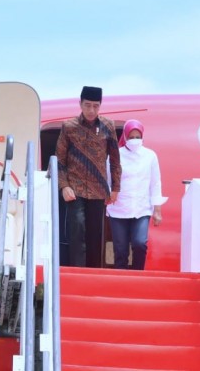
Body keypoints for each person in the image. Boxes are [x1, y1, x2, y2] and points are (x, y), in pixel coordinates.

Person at [56, 86, 121, 268]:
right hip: (74, 188)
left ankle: (94, 275)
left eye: (96, 106)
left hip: (98, 190)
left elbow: (115, 160)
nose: (91, 110)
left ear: (100, 106)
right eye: (87, 105)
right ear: (80, 104)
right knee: (77, 230)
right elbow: (59, 160)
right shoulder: (69, 127)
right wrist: (64, 186)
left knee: (95, 235)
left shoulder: (108, 126)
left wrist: (115, 188)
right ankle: (77, 274)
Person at [106, 119, 167, 270]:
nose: (134, 140)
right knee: (120, 250)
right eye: (131, 137)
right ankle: (121, 284)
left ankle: (138, 275)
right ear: (125, 137)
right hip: (119, 209)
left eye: (137, 137)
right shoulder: (115, 155)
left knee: (140, 244)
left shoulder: (150, 156)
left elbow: (155, 183)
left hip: (141, 208)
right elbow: (108, 181)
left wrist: (157, 210)